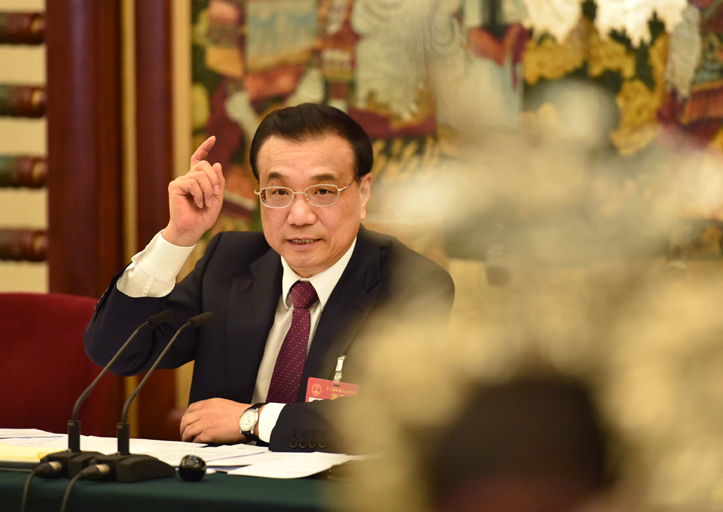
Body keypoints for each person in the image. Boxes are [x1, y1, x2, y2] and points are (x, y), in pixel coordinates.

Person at [84, 103, 455, 452]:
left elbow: (392, 418)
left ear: (363, 193)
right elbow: (116, 351)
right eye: (278, 192)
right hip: (220, 488)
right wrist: (177, 236)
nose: (299, 216)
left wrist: (254, 420)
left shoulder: (411, 284)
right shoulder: (229, 261)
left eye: (322, 191)